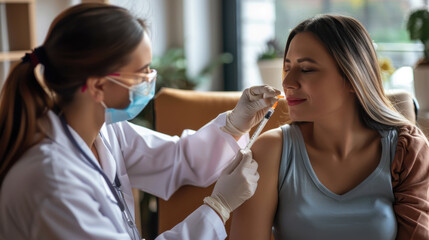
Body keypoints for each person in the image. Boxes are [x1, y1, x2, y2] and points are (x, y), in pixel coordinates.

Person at [0, 3, 281, 240]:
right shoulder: (52, 180)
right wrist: (217, 209)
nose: (150, 79)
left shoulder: (106, 132)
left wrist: (234, 125)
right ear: (98, 86)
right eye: (142, 72)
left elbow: (177, 158)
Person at [230, 14, 429, 240]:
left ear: (352, 78)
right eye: (288, 68)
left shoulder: (406, 150)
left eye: (306, 69)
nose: (287, 82)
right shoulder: (269, 151)